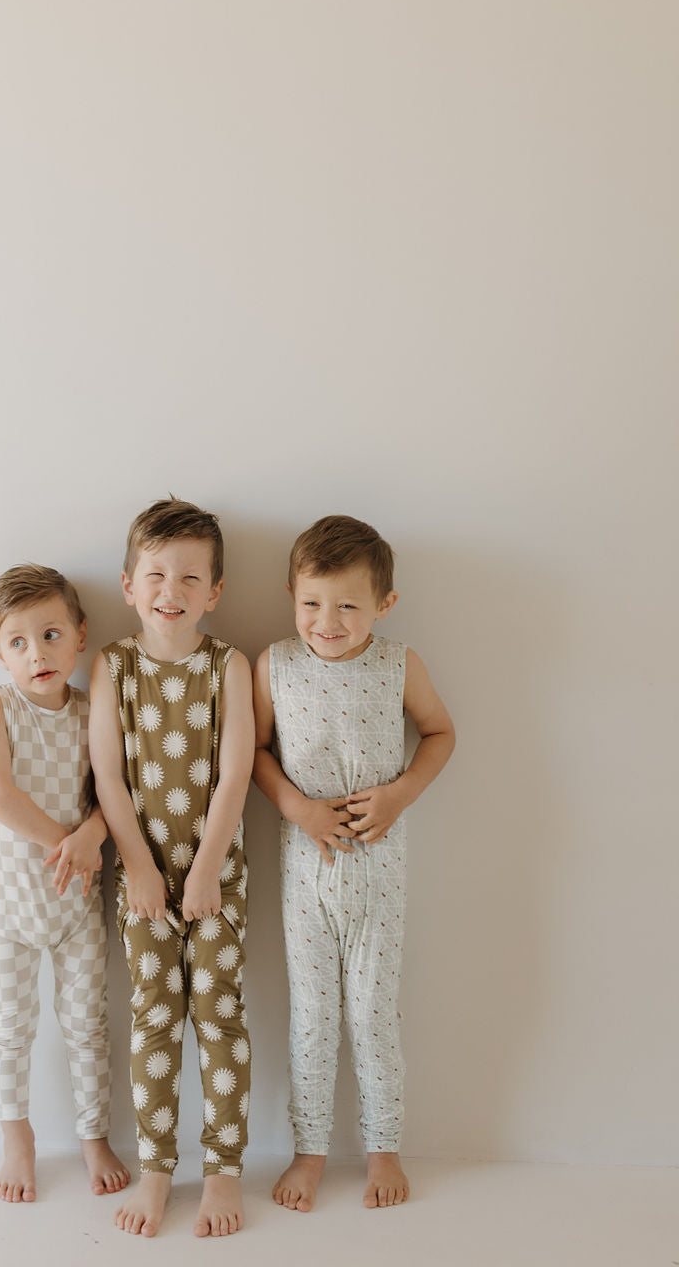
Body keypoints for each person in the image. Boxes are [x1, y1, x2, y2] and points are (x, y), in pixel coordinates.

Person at [252, 515, 455, 1212]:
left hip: (378, 869)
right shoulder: (273, 664)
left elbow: (439, 732)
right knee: (312, 1013)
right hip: (306, 869)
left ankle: (383, 1148)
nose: (327, 621)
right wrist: (297, 807)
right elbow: (253, 753)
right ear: (291, 595)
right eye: (311, 602)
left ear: (383, 605)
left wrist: (400, 794)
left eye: (347, 605)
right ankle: (309, 1152)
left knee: (371, 1013)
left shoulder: (399, 665)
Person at [89, 499, 255, 1239]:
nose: (172, 590)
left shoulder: (229, 665)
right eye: (156, 574)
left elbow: (235, 775)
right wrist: (140, 869)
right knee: (155, 1019)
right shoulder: (113, 668)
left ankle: (223, 1170)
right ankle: (158, 1166)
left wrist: (206, 869)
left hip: (216, 876)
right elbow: (109, 779)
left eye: (191, 577)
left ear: (213, 592)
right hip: (142, 878)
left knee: (220, 1018)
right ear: (129, 585)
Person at [0, 564, 129, 1204]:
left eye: (52, 634)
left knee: (86, 1022)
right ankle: (17, 1137)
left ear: (81, 636)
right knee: (11, 1024)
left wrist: (92, 833)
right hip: (9, 904)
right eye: (18, 642)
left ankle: (93, 1136)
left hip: (75, 902)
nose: (37, 653)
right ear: (0, 652)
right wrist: (63, 842)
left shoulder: (92, 712)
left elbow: (114, 793)